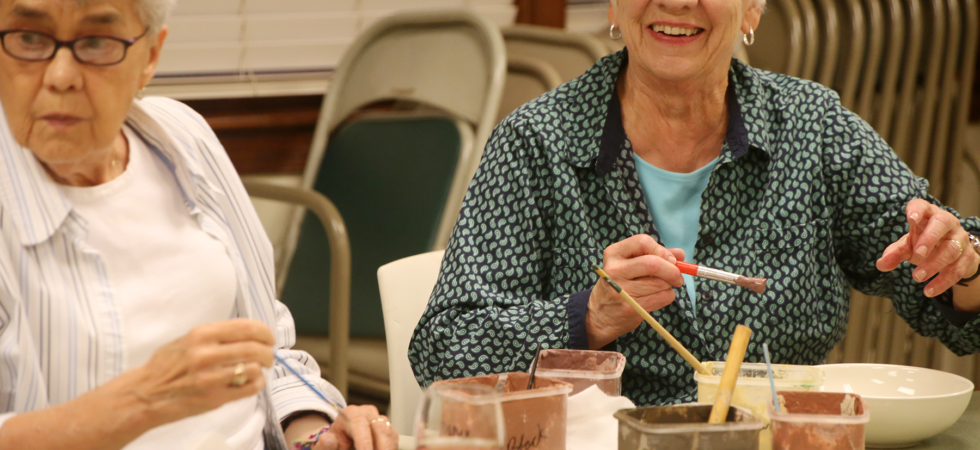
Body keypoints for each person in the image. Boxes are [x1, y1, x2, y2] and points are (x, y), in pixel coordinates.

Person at [409, 0, 980, 406]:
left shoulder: (812, 126)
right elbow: (442, 350)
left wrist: (962, 261)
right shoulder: (538, 143)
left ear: (752, 11)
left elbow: (936, 269)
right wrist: (587, 317)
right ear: (614, 7)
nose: (678, 2)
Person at [0, 1, 396, 449]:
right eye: (29, 39)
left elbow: (269, 349)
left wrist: (314, 434)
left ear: (150, 55)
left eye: (96, 42)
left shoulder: (182, 139)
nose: (60, 76)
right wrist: (141, 402)